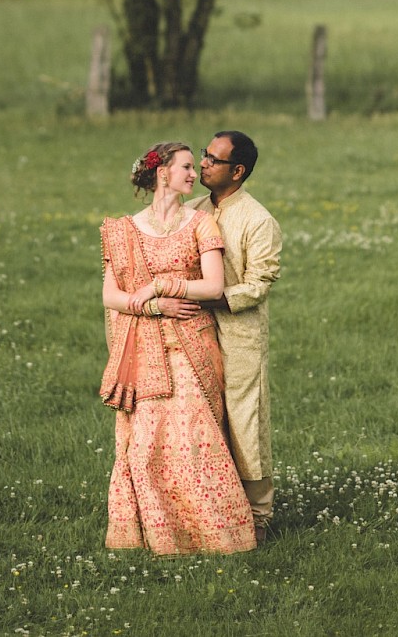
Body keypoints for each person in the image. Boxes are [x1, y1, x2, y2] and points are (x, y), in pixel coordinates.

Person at [100, 141, 256, 556]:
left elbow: (213, 287)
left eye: (195, 166)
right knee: (148, 444)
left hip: (192, 346)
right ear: (161, 172)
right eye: (186, 166)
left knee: (194, 440)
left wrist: (163, 283)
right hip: (145, 349)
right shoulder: (124, 229)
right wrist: (156, 304)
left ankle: (219, 537)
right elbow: (112, 297)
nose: (195, 173)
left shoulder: (201, 224)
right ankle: (163, 537)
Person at [191, 129, 282, 545]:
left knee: (245, 423)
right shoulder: (191, 211)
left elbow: (260, 282)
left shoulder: (258, 220)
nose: (203, 163)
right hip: (191, 332)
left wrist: (212, 299)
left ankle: (258, 518)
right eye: (204, 155)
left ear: (238, 171)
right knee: (200, 420)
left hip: (239, 336)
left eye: (213, 159)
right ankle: (208, 510)